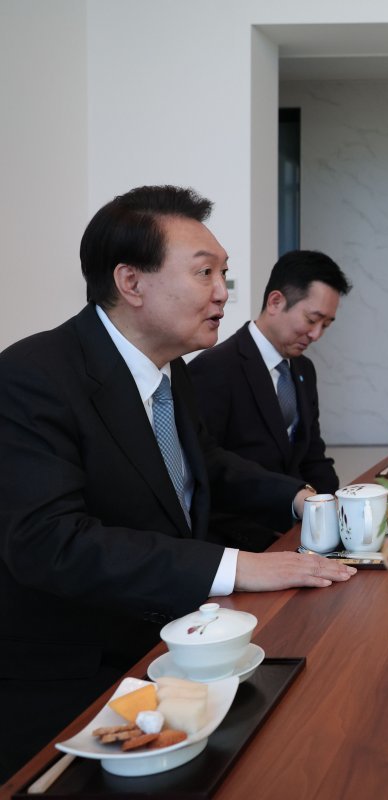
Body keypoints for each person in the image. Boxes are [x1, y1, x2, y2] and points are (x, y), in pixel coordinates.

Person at [0, 186, 355, 781]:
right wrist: (236, 566)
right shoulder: (32, 377)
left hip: (170, 654)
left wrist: (298, 497)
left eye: (224, 274)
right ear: (132, 283)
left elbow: (205, 464)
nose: (223, 292)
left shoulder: (171, 373)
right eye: (204, 272)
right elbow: (51, 543)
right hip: (73, 684)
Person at [189, 251, 350, 551]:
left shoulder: (303, 369)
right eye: (312, 319)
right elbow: (208, 471)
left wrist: (339, 517)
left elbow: (312, 455)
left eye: (326, 325)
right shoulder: (214, 369)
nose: (316, 334)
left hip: (301, 534)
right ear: (276, 302)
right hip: (243, 543)